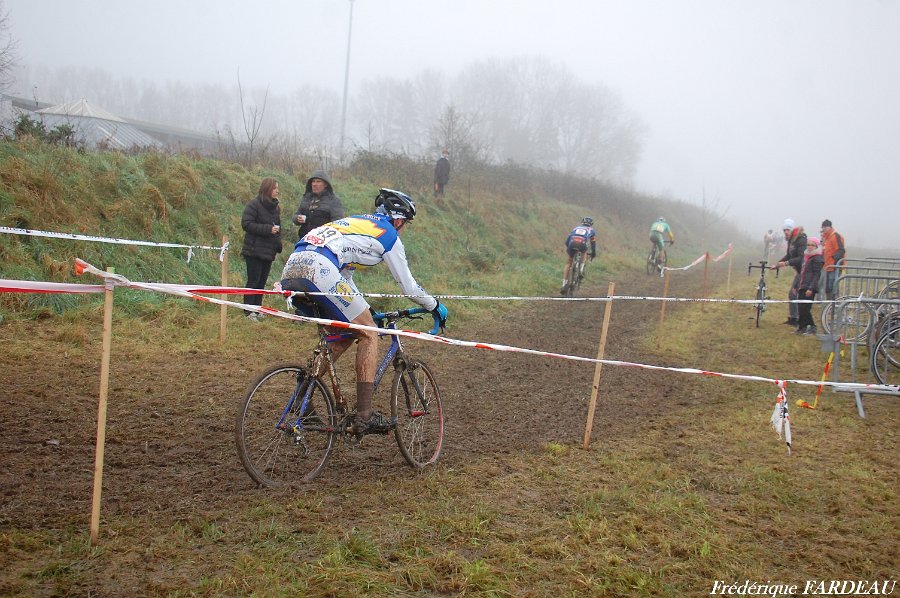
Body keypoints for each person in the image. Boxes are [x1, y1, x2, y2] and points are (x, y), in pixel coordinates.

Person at [279, 188, 449, 435]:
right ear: (399, 220)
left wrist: (366, 310)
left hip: (294, 266)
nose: (404, 229)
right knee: (368, 332)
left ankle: (301, 398)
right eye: (406, 224)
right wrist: (434, 305)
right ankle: (365, 414)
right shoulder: (388, 234)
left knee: (343, 334)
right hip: (320, 268)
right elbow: (409, 287)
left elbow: (345, 278)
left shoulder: (356, 223)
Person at [241, 177, 283, 321]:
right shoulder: (253, 205)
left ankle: (257, 309)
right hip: (253, 250)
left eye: (277, 188)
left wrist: (278, 244)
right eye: (274, 188)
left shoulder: (276, 208)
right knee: (253, 281)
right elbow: (246, 224)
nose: (277, 191)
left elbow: (277, 228)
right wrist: (268, 229)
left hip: (268, 251)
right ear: (267, 189)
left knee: (261, 282)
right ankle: (248, 311)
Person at [772, 218, 807, 326]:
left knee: (798, 295)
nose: (786, 232)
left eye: (788, 229)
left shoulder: (801, 239)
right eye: (784, 230)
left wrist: (787, 263)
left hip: (805, 271)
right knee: (792, 294)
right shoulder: (791, 240)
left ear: (792, 230)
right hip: (799, 271)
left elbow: (801, 258)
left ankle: (801, 321)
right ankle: (794, 318)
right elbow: (789, 255)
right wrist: (778, 264)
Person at [292, 170, 344, 240]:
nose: (314, 184)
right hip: (304, 240)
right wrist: (297, 219)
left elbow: (337, 224)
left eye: (318, 181)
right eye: (313, 181)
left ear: (326, 184)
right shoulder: (306, 198)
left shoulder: (334, 201)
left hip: (323, 241)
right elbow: (296, 216)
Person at [560, 216, 597, 295]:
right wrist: (593, 253)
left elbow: (567, 241)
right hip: (582, 244)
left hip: (572, 243)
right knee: (585, 252)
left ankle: (563, 284)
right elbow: (593, 243)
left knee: (568, 263)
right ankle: (581, 270)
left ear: (582, 222)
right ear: (591, 224)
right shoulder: (591, 230)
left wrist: (569, 249)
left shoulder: (576, 228)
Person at [796, 236, 824, 335]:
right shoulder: (806, 257)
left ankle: (812, 326)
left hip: (810, 287)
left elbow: (816, 275)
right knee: (800, 307)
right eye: (808, 245)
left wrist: (811, 288)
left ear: (816, 246)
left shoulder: (817, 258)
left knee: (805, 308)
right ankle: (802, 327)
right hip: (802, 285)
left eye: (812, 245)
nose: (810, 247)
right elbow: (802, 273)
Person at [820, 219, 846, 300]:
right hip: (827, 267)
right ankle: (829, 304)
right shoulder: (826, 238)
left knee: (833, 287)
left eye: (825, 227)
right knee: (828, 288)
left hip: (835, 267)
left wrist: (834, 260)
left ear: (829, 227)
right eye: (822, 227)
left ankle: (835, 303)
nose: (823, 229)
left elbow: (841, 250)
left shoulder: (835, 236)